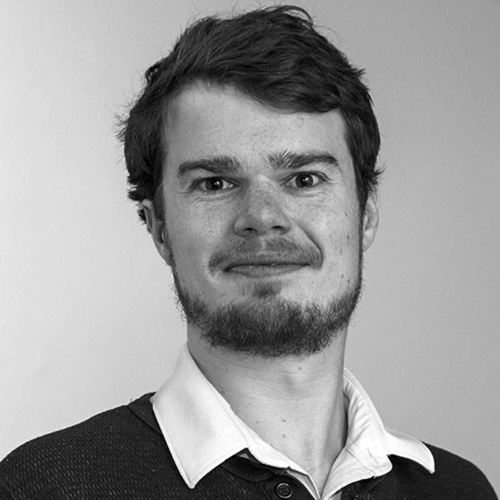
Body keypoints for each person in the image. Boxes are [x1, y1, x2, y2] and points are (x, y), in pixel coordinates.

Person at [0, 5, 496, 499]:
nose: (262, 215)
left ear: (365, 215)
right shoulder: (41, 485)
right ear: (160, 230)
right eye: (214, 182)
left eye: (304, 179)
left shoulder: (459, 490)